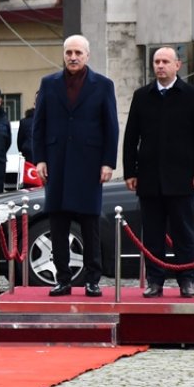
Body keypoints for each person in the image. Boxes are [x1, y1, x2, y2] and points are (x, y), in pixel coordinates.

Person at [31, 34, 119, 297]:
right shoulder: (49, 84)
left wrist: (108, 162)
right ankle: (63, 279)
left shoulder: (102, 85)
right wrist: (40, 159)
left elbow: (111, 127)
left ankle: (93, 279)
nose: (73, 57)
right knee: (58, 224)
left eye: (78, 53)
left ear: (87, 56)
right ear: (64, 55)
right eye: (69, 53)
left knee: (90, 223)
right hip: (57, 163)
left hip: (90, 164)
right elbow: (39, 125)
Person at [122, 46, 194, 299]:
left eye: (165, 61)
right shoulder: (142, 96)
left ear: (177, 65)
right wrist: (131, 171)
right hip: (149, 178)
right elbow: (131, 137)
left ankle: (186, 280)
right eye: (156, 61)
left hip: (182, 177)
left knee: (183, 232)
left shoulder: (192, 96)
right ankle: (155, 281)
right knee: (152, 234)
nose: (160, 66)